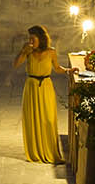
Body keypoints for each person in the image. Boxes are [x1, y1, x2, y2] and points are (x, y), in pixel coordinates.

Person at [15, 24, 67, 165]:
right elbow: (16, 64)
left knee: (48, 119)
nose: (30, 41)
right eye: (29, 38)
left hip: (45, 87)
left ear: (41, 39)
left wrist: (68, 70)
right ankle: (35, 152)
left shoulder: (51, 52)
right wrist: (23, 52)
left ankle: (50, 151)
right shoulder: (29, 52)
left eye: (33, 38)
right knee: (32, 119)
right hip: (31, 87)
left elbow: (56, 68)